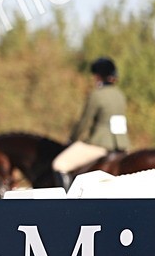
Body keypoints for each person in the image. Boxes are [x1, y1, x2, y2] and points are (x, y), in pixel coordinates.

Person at [52, 56, 130, 189]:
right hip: (123, 145)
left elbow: (84, 122)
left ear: (98, 76)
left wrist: (72, 140)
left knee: (59, 165)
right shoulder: (120, 95)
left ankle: (67, 203)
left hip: (100, 144)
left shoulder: (96, 95)